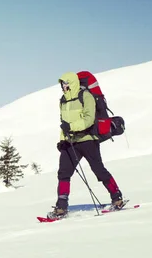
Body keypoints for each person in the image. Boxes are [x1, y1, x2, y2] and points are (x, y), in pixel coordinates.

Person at [48, 71, 123, 219]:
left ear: (72, 83)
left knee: (98, 170)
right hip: (70, 142)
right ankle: (61, 207)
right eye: (62, 84)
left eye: (65, 83)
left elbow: (88, 119)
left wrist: (72, 127)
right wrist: (62, 140)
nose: (63, 86)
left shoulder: (86, 96)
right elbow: (63, 124)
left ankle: (117, 197)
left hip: (88, 139)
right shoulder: (63, 100)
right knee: (63, 173)